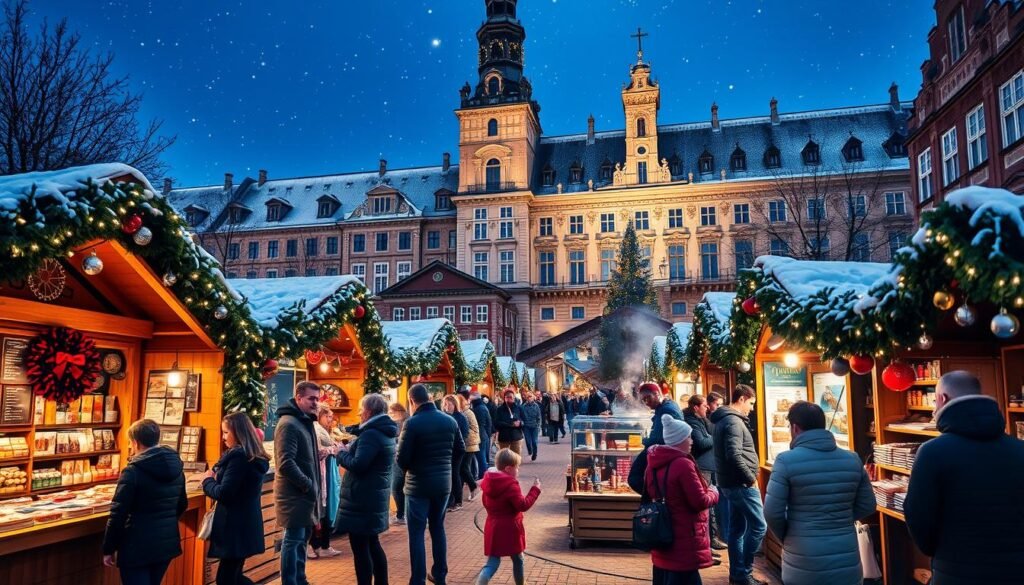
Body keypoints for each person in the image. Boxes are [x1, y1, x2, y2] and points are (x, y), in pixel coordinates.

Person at [904, 371, 1024, 584]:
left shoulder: (932, 453)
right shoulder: (1019, 450)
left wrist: (941, 552)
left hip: (955, 572)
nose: (933, 410)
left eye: (935, 401)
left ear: (942, 399)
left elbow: (918, 518)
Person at [763, 401, 875, 585]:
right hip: (846, 555)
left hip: (803, 558)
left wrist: (790, 535)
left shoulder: (785, 461)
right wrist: (841, 519)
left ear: (795, 428)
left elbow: (772, 512)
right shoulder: (852, 459)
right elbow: (868, 504)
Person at [102, 419, 187, 585]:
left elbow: (118, 514)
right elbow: (182, 504)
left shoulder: (133, 471)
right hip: (166, 543)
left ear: (135, 442)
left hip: (137, 546)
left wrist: (108, 548)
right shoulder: (177, 468)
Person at [397, 383, 465, 585]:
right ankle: (440, 574)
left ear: (411, 400)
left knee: (416, 533)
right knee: (438, 528)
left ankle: (418, 579)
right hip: (443, 484)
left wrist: (411, 468)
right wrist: (448, 468)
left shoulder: (412, 423)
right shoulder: (449, 421)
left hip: (418, 485)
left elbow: (402, 458)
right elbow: (460, 449)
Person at [645, 415, 719, 585]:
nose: (691, 441)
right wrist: (714, 493)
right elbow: (699, 501)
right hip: (684, 537)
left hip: (662, 535)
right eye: (688, 437)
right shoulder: (683, 464)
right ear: (679, 439)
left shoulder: (653, 462)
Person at [335, 393, 398, 585]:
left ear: (369, 411)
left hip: (362, 498)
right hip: (373, 496)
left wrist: (341, 453)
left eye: (361, 409)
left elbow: (359, 464)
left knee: (361, 548)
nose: (359, 413)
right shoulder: (382, 431)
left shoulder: (371, 434)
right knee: (372, 544)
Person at [201, 412, 271, 585]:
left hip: (234, 525)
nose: (223, 437)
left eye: (226, 432)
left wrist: (207, 480)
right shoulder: (252, 455)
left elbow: (225, 493)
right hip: (245, 523)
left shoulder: (239, 457)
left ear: (238, 433)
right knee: (233, 576)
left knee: (226, 578)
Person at [710, 384, 767, 585]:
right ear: (741, 399)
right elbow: (733, 455)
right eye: (751, 403)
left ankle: (738, 574)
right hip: (741, 485)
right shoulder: (733, 422)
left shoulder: (725, 420)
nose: (751, 408)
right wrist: (750, 478)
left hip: (731, 483)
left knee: (737, 530)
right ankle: (744, 571)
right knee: (759, 526)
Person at [274, 381, 322, 585]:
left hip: (305, 495)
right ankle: (291, 582)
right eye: (311, 398)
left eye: (317, 399)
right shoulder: (289, 424)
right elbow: (285, 463)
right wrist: (307, 484)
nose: (315, 403)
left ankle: (300, 580)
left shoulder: (304, 421)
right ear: (299, 397)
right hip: (294, 495)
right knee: (292, 541)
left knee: (301, 540)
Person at [475, 448, 542, 585]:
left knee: (492, 562)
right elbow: (523, 505)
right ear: (508, 468)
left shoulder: (488, 480)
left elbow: (485, 503)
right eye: (516, 467)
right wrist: (535, 490)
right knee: (518, 558)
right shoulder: (511, 485)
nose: (518, 470)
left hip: (493, 525)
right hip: (510, 527)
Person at [684, 395, 727, 554]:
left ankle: (711, 539)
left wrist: (710, 436)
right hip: (702, 467)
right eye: (704, 406)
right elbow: (701, 442)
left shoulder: (702, 420)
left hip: (708, 466)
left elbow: (710, 432)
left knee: (710, 505)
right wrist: (714, 437)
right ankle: (705, 543)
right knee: (704, 506)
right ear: (695, 407)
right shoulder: (691, 421)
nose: (707, 408)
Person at [309, 404, 342, 558]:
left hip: (327, 473)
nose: (330, 419)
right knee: (320, 508)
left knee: (326, 508)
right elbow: (317, 451)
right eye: (327, 416)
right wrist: (333, 449)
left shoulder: (322, 430)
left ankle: (322, 544)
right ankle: (314, 545)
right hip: (321, 474)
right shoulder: (315, 429)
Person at [442, 395, 476, 511]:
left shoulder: (460, 417)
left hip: (457, 450)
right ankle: (450, 500)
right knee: (449, 475)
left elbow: (464, 433)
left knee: (455, 473)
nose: (446, 407)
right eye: (445, 404)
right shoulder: (444, 416)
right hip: (447, 450)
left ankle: (458, 501)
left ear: (455, 405)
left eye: (449, 404)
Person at [706, 391, 729, 541]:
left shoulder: (720, 419)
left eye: (721, 404)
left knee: (722, 498)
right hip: (712, 464)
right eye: (717, 404)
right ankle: (721, 533)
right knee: (719, 499)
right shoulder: (709, 420)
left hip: (717, 463)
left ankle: (723, 532)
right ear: (708, 405)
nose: (719, 407)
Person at [456, 394, 482, 499]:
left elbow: (474, 429)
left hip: (469, 444)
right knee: (462, 468)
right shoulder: (464, 412)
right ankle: (462, 491)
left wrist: (463, 436)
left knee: (463, 468)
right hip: (467, 443)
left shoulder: (467, 413)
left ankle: (473, 486)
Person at [388, 402, 410, 525]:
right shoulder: (407, 420)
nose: (389, 415)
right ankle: (403, 514)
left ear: (398, 411)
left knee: (396, 487)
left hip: (398, 459)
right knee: (401, 487)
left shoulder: (401, 423)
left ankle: (401, 514)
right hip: (402, 459)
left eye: (391, 412)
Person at [493, 389, 525, 456]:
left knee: (516, 457)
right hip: (504, 437)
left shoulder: (519, 408)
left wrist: (520, 423)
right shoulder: (499, 409)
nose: (509, 399)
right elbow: (496, 423)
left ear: (514, 398)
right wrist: (510, 424)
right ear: (504, 398)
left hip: (516, 436)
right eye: (507, 397)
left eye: (511, 397)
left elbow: (524, 420)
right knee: (504, 458)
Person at [470, 392, 493, 479]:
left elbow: (479, 424)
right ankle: (482, 475)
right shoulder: (482, 407)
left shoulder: (479, 408)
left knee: (481, 457)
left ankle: (483, 476)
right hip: (483, 435)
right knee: (481, 457)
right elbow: (488, 422)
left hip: (480, 435)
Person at [520, 391, 542, 461]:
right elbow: (521, 416)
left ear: (533, 398)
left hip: (534, 426)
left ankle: (535, 453)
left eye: (530, 397)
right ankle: (530, 450)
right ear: (526, 398)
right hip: (526, 426)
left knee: (534, 441)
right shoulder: (523, 406)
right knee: (528, 441)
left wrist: (538, 425)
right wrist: (522, 423)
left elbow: (539, 417)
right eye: (528, 397)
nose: (529, 398)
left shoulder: (536, 406)